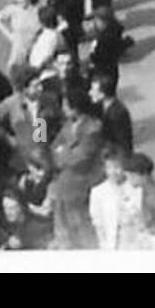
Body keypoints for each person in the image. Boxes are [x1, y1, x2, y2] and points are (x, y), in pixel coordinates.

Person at [50, 89, 106, 248]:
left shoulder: (91, 127)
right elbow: (48, 145)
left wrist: (61, 154)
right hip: (49, 166)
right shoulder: (42, 116)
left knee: (79, 221)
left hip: (79, 178)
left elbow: (79, 157)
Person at [0, 0, 42, 77]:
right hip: (18, 52)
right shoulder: (13, 9)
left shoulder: (39, 10)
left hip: (35, 51)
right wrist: (9, 35)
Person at [89, 72, 134, 153]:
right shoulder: (102, 107)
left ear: (103, 94)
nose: (90, 93)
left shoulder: (117, 114)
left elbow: (123, 143)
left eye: (93, 90)